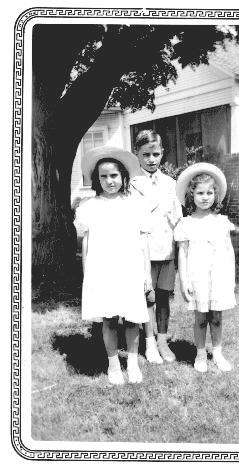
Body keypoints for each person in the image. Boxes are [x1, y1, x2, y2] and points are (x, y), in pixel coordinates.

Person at [75, 146, 152, 385]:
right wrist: (88, 275)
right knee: (108, 318)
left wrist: (146, 274)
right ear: (97, 179)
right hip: (102, 269)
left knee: (131, 318)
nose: (109, 181)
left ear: (123, 176)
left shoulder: (135, 204)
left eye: (114, 176)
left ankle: (132, 361)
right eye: (104, 176)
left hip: (129, 267)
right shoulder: (89, 207)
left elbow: (143, 241)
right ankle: (113, 364)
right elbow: (85, 244)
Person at [174, 162, 236, 372]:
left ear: (215, 195)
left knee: (216, 316)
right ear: (192, 195)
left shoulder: (222, 222)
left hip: (219, 275)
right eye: (200, 192)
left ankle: (217, 352)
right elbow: (182, 253)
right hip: (197, 275)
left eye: (209, 192)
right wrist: (184, 280)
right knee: (200, 316)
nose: (205, 197)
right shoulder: (186, 223)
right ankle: (200, 353)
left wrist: (231, 278)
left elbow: (229, 252)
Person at [131, 130, 182, 363]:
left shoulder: (171, 184)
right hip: (144, 251)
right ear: (137, 155)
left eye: (156, 154)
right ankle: (149, 342)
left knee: (163, 297)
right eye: (146, 155)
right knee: (147, 297)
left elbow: (177, 219)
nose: (151, 159)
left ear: (162, 153)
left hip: (166, 249)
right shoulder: (132, 184)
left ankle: (162, 340)